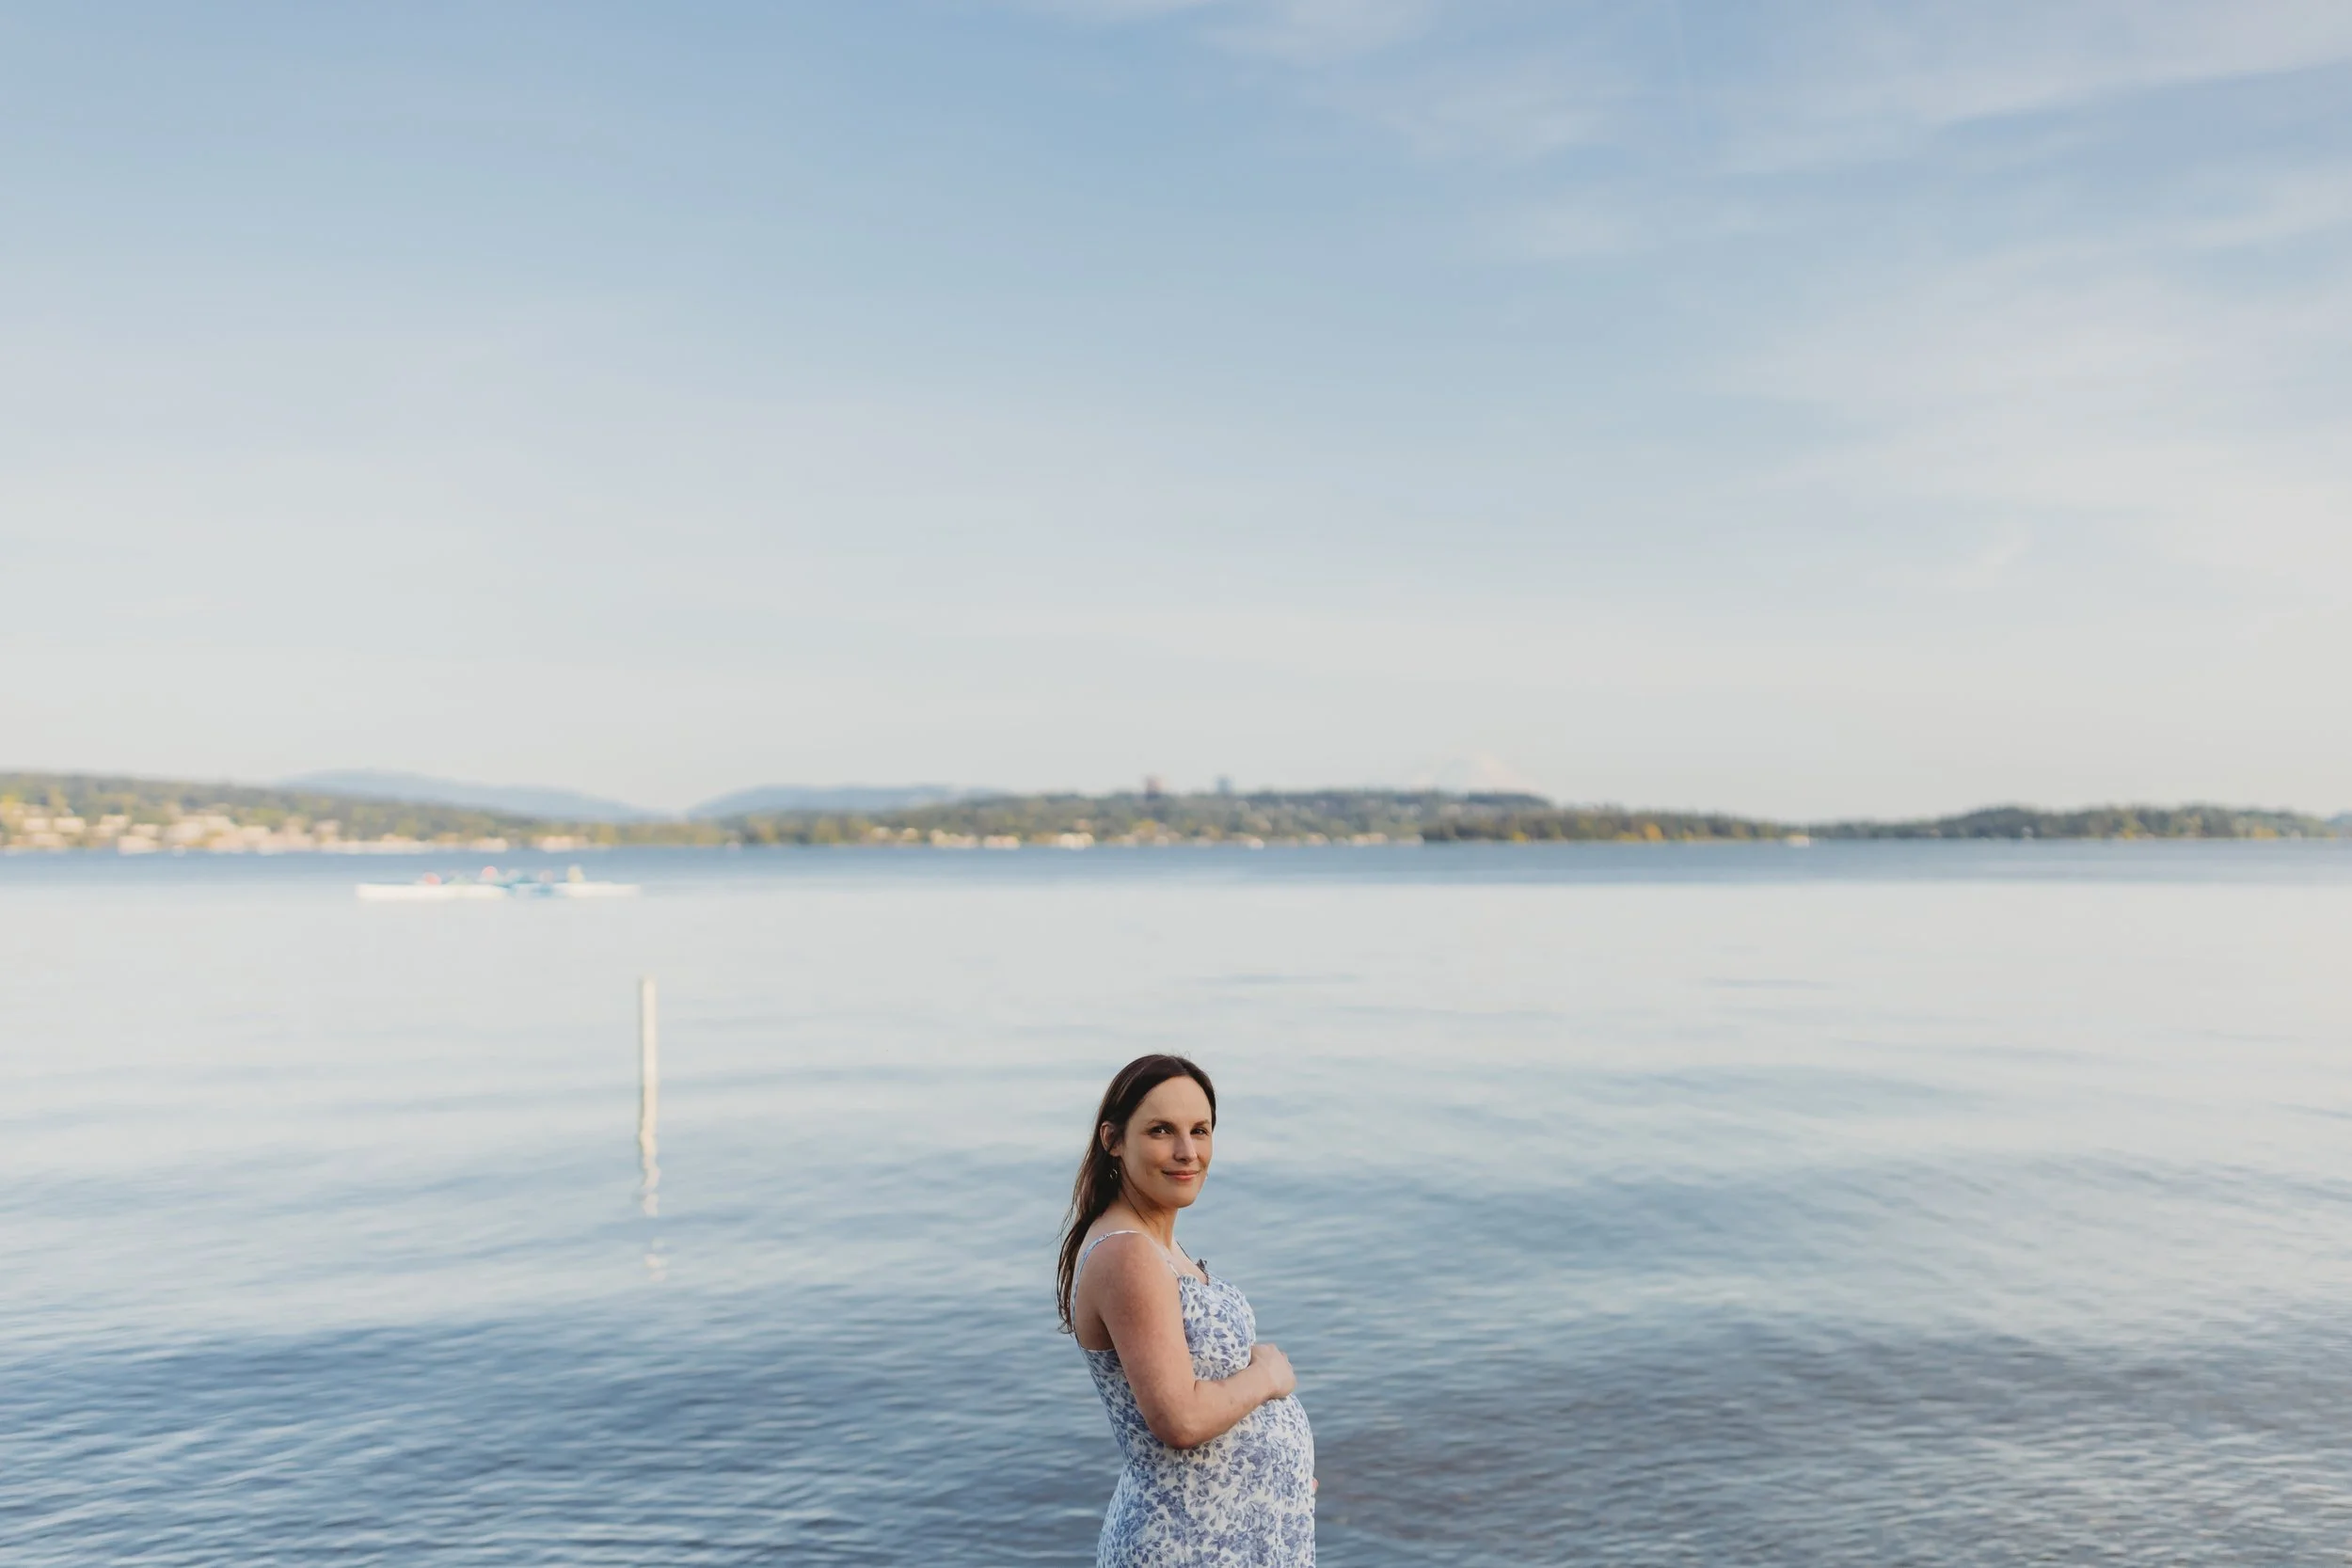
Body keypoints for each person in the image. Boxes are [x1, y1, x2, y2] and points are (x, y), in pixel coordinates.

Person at [1057, 1054, 1315, 1566]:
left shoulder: (1154, 1246)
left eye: (1200, 1130)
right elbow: (1180, 1419)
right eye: (1161, 1131)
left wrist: (1279, 1481)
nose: (1186, 1152)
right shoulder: (1126, 1253)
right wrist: (1267, 1376)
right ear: (1113, 1140)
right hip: (1186, 1546)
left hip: (1233, 1537)